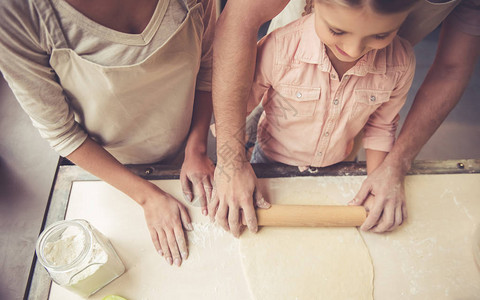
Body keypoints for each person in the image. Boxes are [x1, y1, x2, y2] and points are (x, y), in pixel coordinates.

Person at [210, 0, 480, 237]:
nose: (353, 50)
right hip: (269, 159)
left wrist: (380, 179)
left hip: (340, 162)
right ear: (314, 2)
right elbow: (242, 104)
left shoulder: (400, 64)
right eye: (337, 31)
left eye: (379, 35)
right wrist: (231, 161)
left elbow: (381, 124)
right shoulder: (278, 48)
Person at [0, 0, 216, 266]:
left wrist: (197, 149)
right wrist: (147, 197)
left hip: (193, 141)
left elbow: (208, 65)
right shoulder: (14, 13)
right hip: (111, 170)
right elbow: (62, 132)